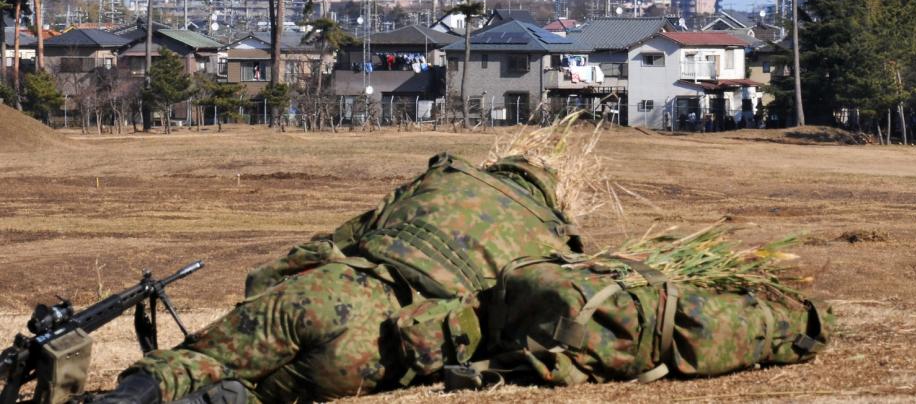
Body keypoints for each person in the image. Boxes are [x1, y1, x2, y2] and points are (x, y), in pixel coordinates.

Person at [98, 152, 581, 404]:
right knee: (260, 394)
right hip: (389, 341)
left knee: (204, 358)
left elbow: (345, 235)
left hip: (332, 291)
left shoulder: (447, 178)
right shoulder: (551, 243)